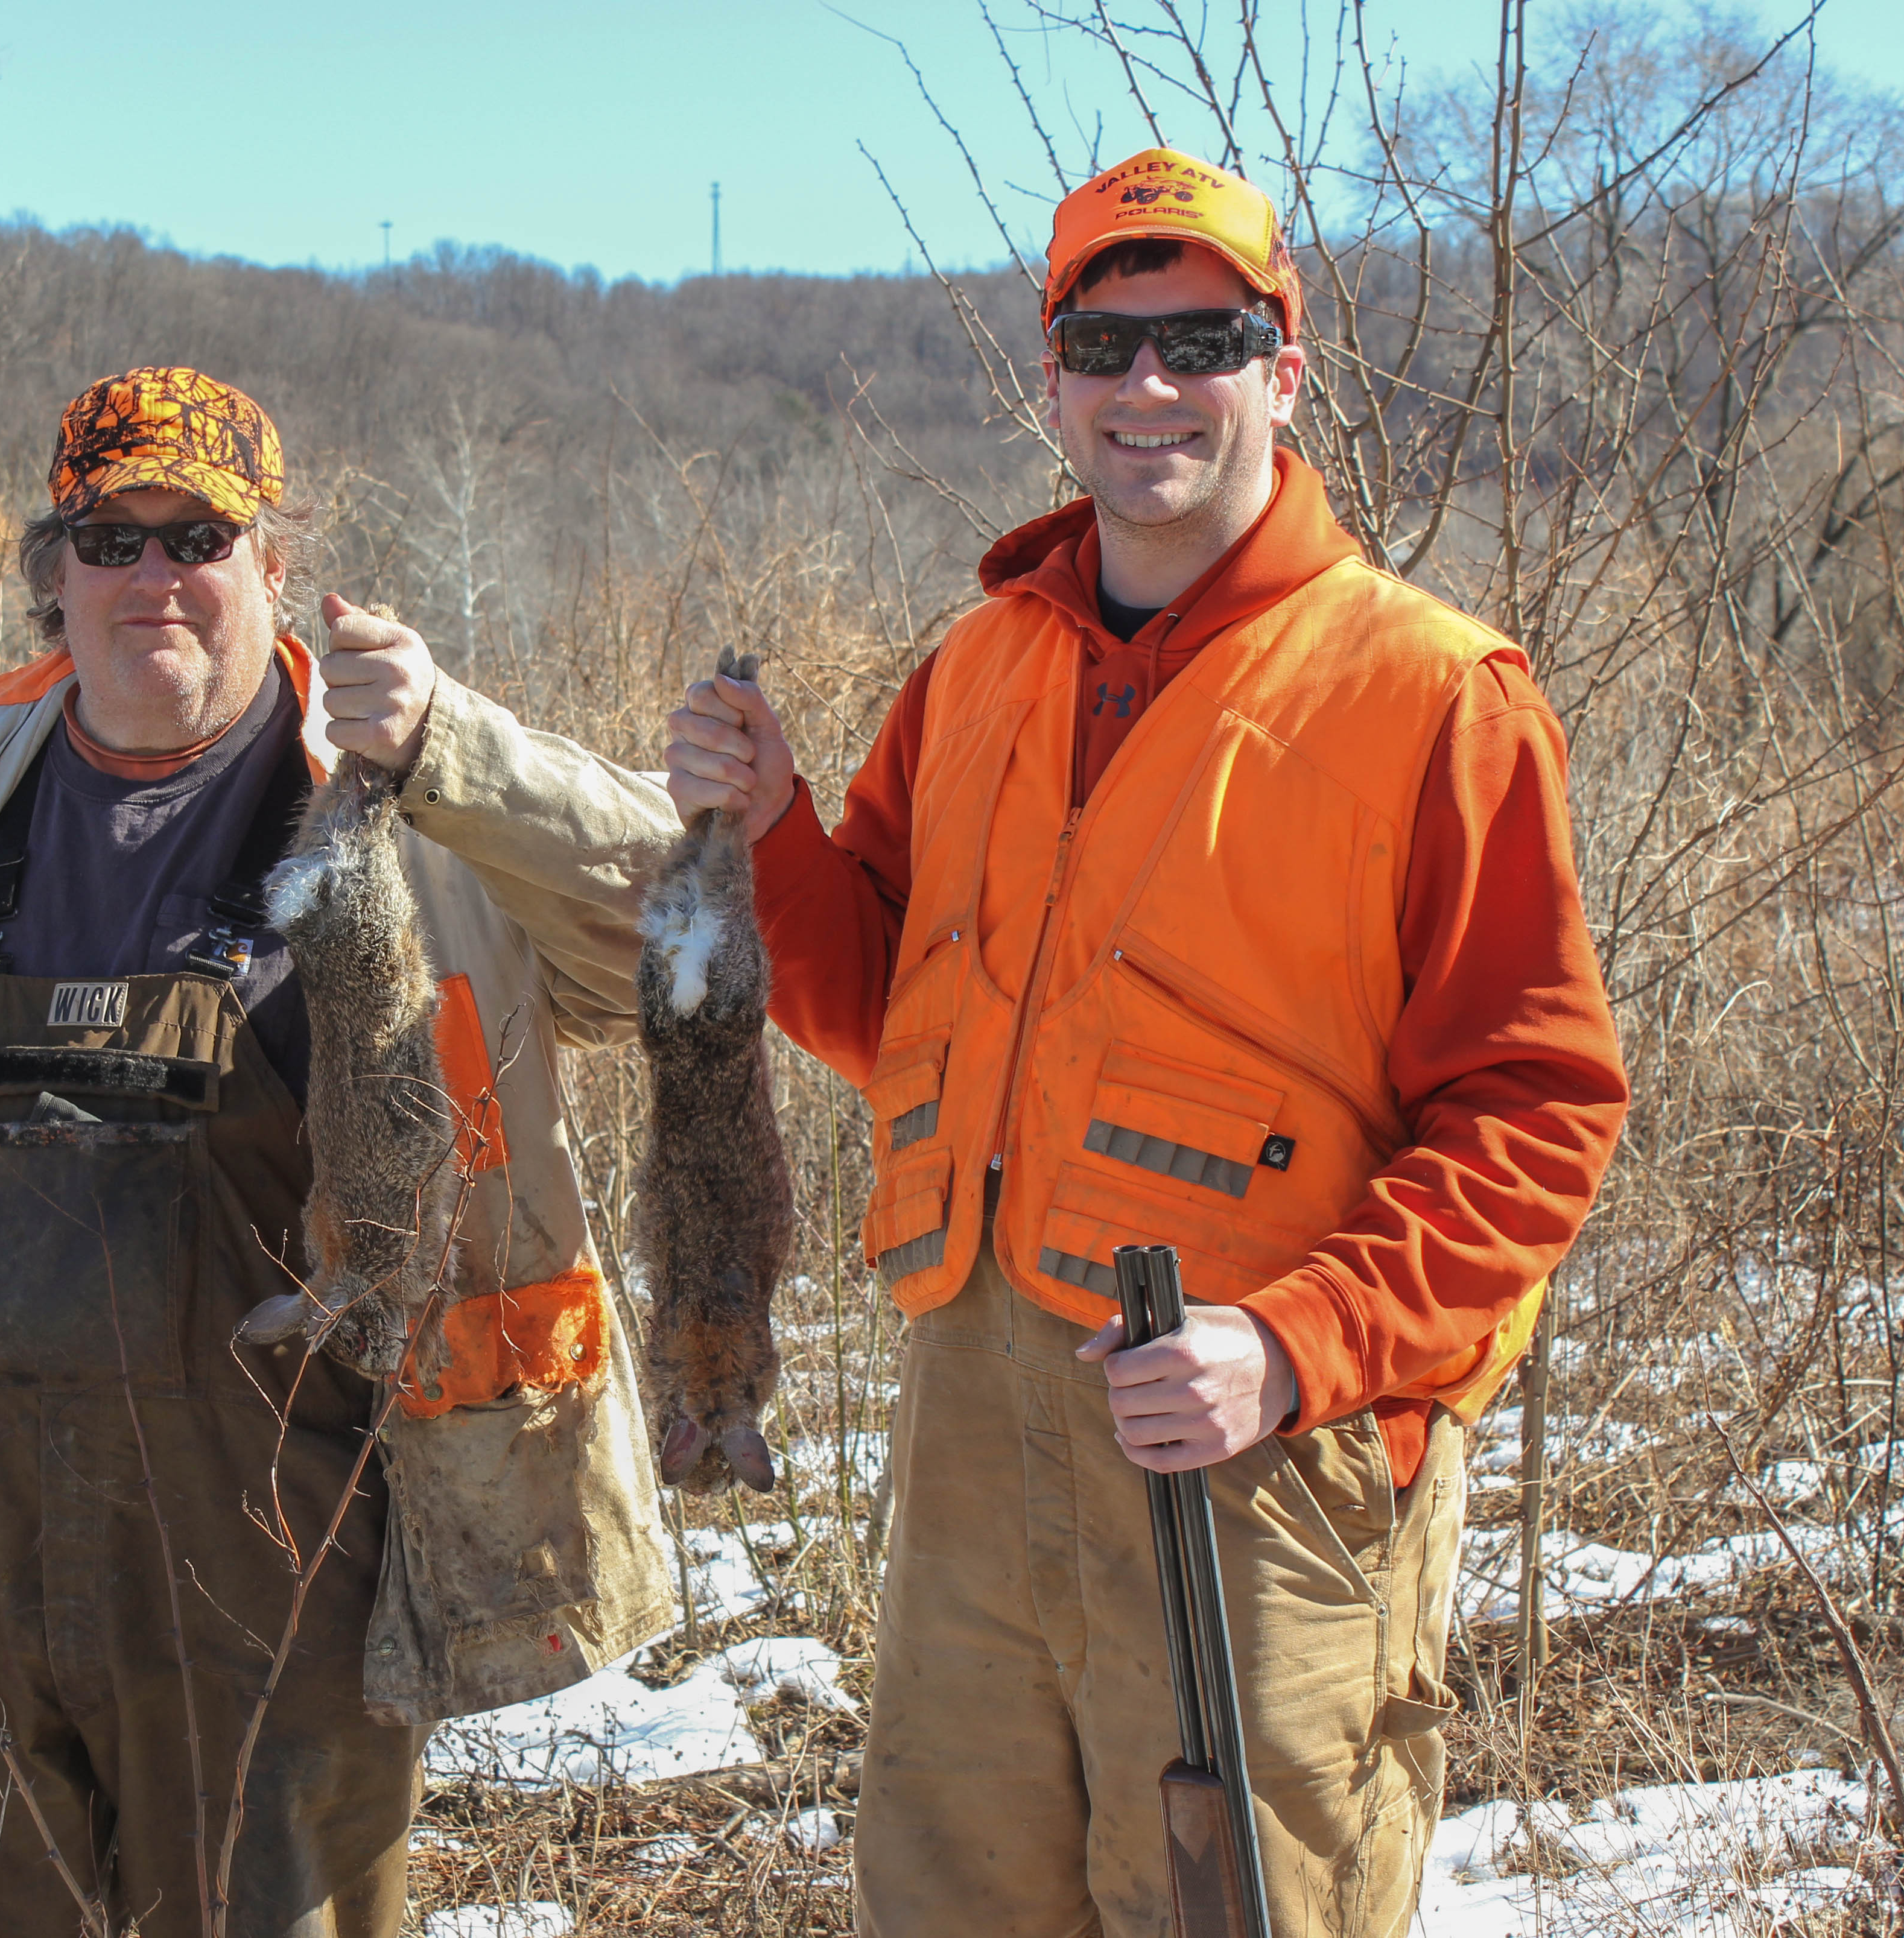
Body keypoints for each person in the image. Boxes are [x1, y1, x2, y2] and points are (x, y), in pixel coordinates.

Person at [664, 149, 1630, 1936]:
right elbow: (886, 1017)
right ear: (1052, 379)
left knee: (1237, 1905)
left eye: (1203, 338)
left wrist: (1295, 1344)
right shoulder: (975, 669)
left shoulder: (1433, 692)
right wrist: (780, 830)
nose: (1150, 388)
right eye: (1106, 345)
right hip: (974, 1438)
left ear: (1288, 362)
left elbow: (1539, 1111)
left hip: (1255, 1449)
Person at [0, 367, 679, 1938]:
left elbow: (690, 936)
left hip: (276, 1550)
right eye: (112, 536)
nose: (153, 576)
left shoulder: (400, 794)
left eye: (198, 535)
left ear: (273, 566)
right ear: (57, 568)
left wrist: (464, 750)